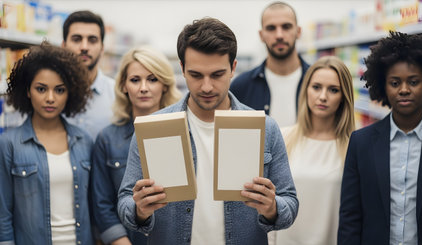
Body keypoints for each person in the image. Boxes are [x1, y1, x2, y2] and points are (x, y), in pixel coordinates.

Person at [117, 17, 298, 245]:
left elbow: (290, 204)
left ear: (233, 68)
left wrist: (272, 207)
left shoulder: (265, 128)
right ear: (181, 69)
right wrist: (140, 210)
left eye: (217, 75)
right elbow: (124, 202)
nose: (206, 87)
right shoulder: (153, 128)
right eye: (196, 75)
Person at [0, 42, 94, 244]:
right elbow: (2, 218)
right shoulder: (9, 145)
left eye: (59, 90)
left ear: (70, 92)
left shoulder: (84, 141)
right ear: (27, 91)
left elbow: (95, 207)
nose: (50, 98)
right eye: (41, 89)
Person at [338, 32, 422, 244]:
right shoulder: (361, 143)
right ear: (383, 86)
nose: (404, 90)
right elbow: (350, 217)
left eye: (414, 81)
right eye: (395, 83)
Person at [91, 45, 181, 245]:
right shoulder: (107, 139)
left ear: (165, 85)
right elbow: (102, 204)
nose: (143, 88)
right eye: (135, 80)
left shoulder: (182, 133)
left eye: (152, 79)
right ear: (123, 85)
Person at [268, 56, 355, 245]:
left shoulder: (353, 147)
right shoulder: (282, 138)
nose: (323, 96)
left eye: (333, 90)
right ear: (306, 89)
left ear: (344, 97)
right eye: (316, 87)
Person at [230, 1, 310, 127]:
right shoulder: (241, 87)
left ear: (298, 31)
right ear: (261, 35)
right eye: (271, 28)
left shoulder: (317, 82)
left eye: (286, 27)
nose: (279, 35)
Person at [62, 10, 115, 140]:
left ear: (102, 48)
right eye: (76, 39)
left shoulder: (118, 95)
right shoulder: (50, 94)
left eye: (92, 40)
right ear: (63, 46)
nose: (84, 47)